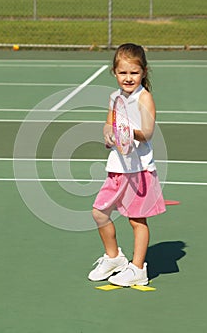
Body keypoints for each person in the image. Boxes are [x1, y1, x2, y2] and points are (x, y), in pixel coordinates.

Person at [88, 43, 166, 286]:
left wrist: (127, 132)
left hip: (139, 171)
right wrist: (109, 135)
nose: (128, 78)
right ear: (114, 72)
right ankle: (114, 258)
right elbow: (108, 124)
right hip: (117, 169)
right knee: (99, 213)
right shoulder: (115, 98)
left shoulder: (145, 97)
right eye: (123, 73)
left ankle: (138, 268)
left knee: (136, 220)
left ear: (143, 72)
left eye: (134, 72)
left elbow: (148, 132)